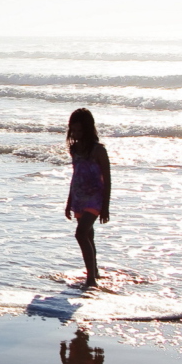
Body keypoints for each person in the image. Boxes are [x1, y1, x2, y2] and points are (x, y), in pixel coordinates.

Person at [64, 107, 111, 288]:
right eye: (73, 130)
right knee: (88, 235)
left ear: (89, 129)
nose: (75, 134)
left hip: (95, 198)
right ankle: (94, 270)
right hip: (79, 197)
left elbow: (107, 180)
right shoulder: (74, 149)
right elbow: (75, 176)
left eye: (80, 130)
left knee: (81, 233)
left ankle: (90, 279)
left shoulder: (99, 151)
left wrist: (105, 207)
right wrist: (69, 202)